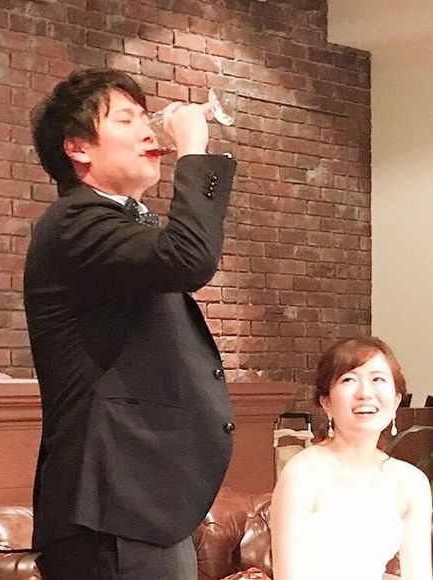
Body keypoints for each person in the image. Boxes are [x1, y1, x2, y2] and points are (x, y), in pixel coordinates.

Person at [24, 68, 237, 579]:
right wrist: (193, 152)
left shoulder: (120, 222)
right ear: (78, 148)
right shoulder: (76, 222)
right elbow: (189, 258)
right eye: (126, 120)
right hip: (109, 507)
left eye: (146, 118)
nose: (148, 131)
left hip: (138, 504)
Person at [271, 337, 432, 580]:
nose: (365, 393)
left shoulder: (411, 482)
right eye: (348, 380)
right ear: (327, 402)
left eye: (378, 379)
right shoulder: (303, 473)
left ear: (396, 400)